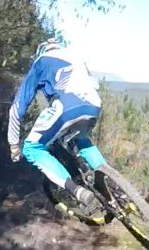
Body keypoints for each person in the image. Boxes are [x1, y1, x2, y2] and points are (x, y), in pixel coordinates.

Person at [7, 37, 106, 205]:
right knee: (81, 140)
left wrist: (14, 146)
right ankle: (111, 182)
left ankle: (78, 191)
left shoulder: (41, 61)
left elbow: (18, 107)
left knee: (32, 148)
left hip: (67, 105)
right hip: (94, 103)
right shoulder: (75, 57)